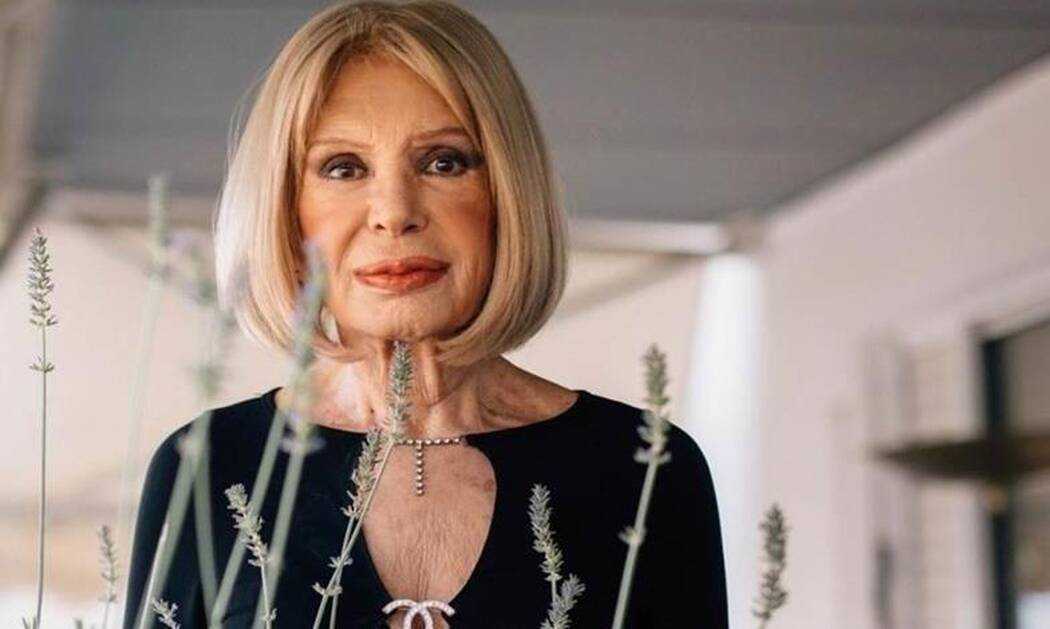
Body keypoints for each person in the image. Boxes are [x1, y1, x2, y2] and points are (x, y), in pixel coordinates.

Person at [123, 1, 728, 627]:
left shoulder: (645, 471)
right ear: (286, 209)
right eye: (343, 168)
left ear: (507, 196)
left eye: (443, 162)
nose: (394, 212)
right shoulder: (207, 467)